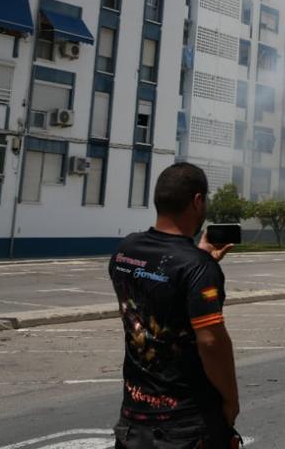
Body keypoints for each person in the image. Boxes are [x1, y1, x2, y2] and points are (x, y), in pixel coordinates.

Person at [109, 162, 240, 448]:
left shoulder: (125, 251)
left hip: (133, 420)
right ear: (197, 201)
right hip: (185, 426)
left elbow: (159, 284)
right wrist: (231, 400)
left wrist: (197, 257)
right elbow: (211, 341)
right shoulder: (197, 268)